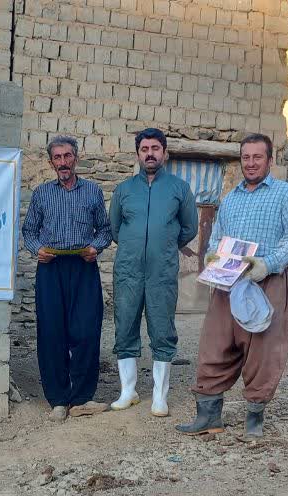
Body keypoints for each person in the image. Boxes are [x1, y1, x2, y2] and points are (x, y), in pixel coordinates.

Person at [176, 133, 288, 438]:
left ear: (270, 160)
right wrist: (213, 254)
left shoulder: (286, 195)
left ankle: (254, 418)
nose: (250, 163)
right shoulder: (231, 198)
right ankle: (208, 417)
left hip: (267, 280)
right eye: (246, 157)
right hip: (228, 282)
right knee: (215, 344)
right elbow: (218, 236)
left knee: (264, 348)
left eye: (257, 157)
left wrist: (267, 264)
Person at [21, 135, 113, 421]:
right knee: (51, 333)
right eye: (57, 157)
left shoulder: (93, 192)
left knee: (86, 331)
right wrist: (38, 250)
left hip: (84, 268)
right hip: (51, 270)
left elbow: (105, 229)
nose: (63, 162)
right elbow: (29, 231)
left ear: (76, 158)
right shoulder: (41, 194)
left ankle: (82, 398)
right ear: (51, 162)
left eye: (67, 156)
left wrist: (96, 247)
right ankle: (58, 399)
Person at [108, 128, 199, 417]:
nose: (150, 154)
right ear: (138, 154)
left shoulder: (179, 189)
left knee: (162, 329)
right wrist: (136, 247)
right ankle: (128, 391)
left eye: (155, 148)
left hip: (162, 272)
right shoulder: (124, 190)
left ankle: (160, 396)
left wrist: (164, 245)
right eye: (144, 149)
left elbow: (190, 228)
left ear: (165, 153)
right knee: (125, 326)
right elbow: (115, 229)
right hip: (128, 271)